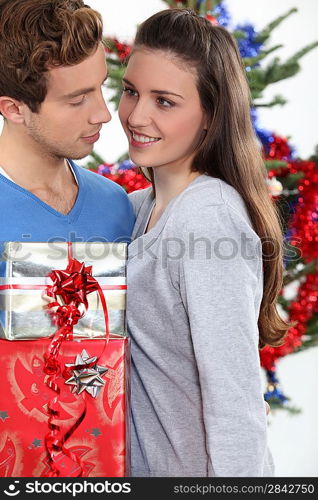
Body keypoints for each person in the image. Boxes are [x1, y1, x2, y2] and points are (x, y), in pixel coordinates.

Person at [119, 8, 291, 477]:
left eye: (165, 101)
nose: (136, 115)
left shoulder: (208, 221)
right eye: (131, 91)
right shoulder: (142, 208)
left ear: (210, 116)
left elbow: (234, 400)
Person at [0, 0, 134, 244]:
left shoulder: (116, 205)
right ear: (14, 109)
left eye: (101, 86)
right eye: (78, 99)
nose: (103, 114)